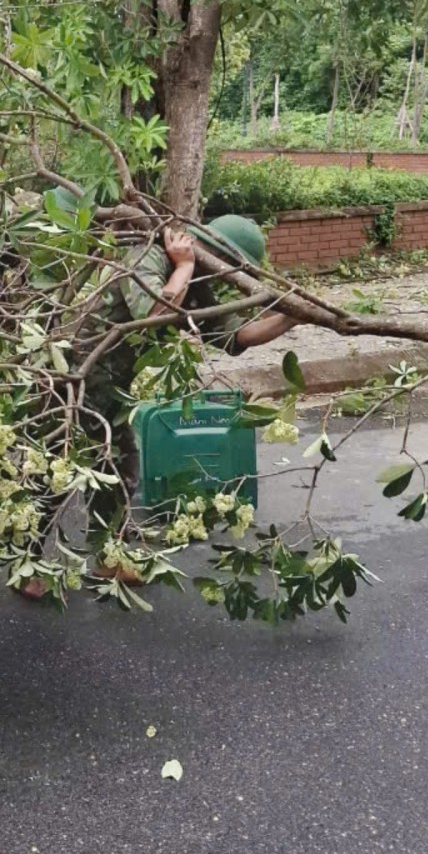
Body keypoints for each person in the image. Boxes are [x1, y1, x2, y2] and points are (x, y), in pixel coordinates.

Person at [20, 208, 298, 594]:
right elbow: (153, 312)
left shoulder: (198, 281)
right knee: (53, 477)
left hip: (112, 389)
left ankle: (108, 557)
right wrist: (182, 265)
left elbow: (235, 338)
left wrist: (293, 315)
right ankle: (25, 567)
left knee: (119, 474)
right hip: (73, 381)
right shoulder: (146, 257)